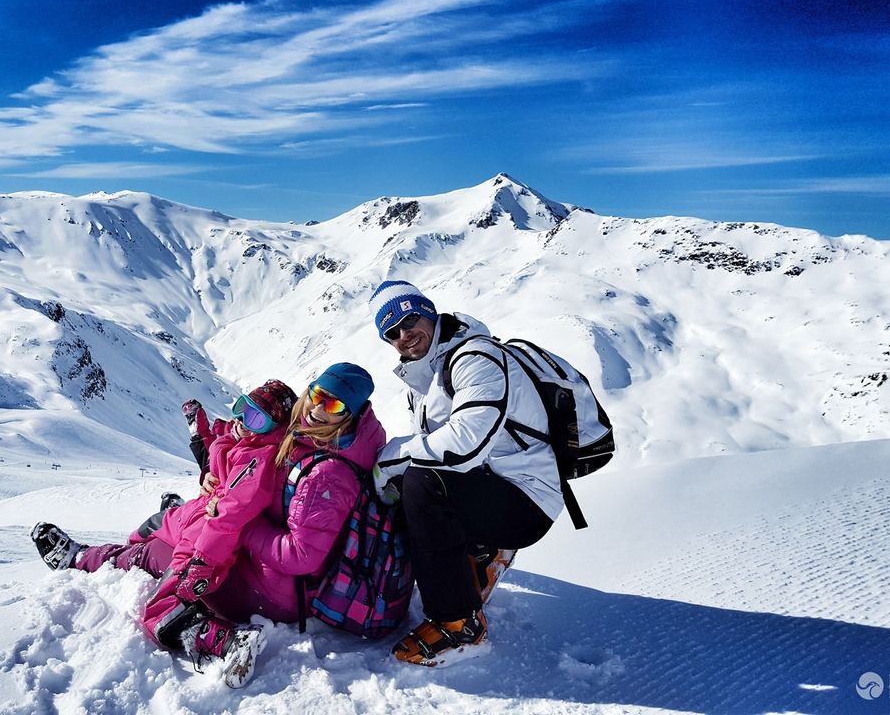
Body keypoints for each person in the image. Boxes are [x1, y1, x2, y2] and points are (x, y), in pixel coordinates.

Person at [31, 365, 386, 687]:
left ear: (350, 416)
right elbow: (247, 448)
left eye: (335, 406)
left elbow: (301, 554)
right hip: (269, 569)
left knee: (153, 554)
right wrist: (213, 466)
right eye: (318, 395)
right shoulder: (309, 435)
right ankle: (103, 552)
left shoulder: (328, 474)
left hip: (279, 589)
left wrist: (239, 526)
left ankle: (80, 559)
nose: (319, 409)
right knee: (175, 528)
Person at [368, 280, 561, 667]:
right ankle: (479, 555)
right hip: (495, 489)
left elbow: (465, 444)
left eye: (410, 320)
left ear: (430, 312)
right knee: (412, 484)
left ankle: (458, 624)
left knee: (422, 482)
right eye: (393, 331)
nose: (405, 335)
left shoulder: (475, 357)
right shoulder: (422, 379)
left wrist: (391, 456)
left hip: (528, 497)